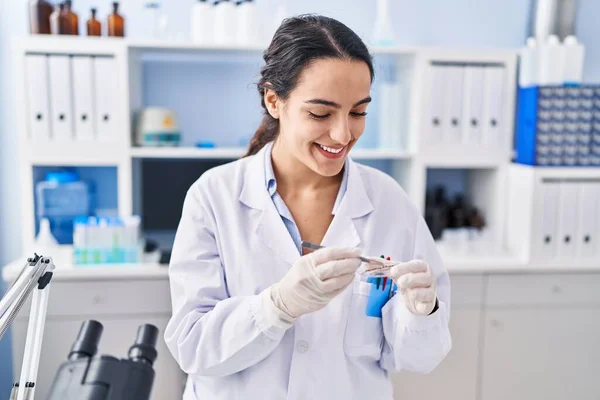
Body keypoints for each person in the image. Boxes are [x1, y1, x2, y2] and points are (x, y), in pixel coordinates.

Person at [164, 14, 451, 400]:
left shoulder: (389, 203)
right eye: (321, 113)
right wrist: (277, 307)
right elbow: (192, 345)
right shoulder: (214, 197)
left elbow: (418, 358)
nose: (342, 134)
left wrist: (423, 315)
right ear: (274, 100)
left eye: (358, 112)